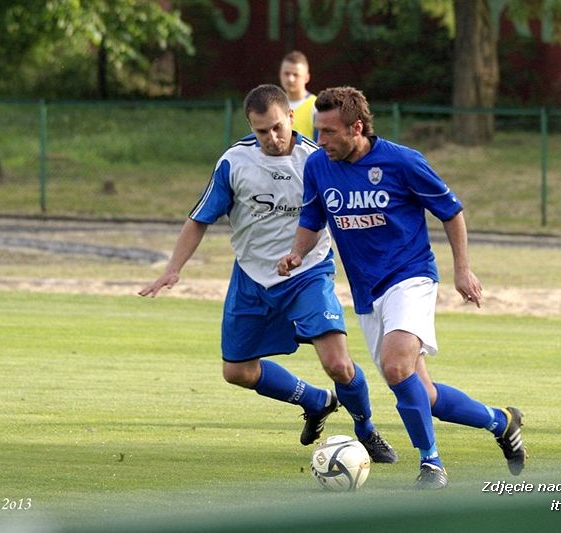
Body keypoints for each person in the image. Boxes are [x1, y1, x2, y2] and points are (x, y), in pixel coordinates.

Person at [278, 86, 526, 489]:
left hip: (410, 277)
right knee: (422, 394)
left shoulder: (402, 162)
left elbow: (452, 211)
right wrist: (296, 254)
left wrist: (463, 270)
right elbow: (312, 218)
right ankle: (501, 421)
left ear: (356, 127)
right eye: (317, 131)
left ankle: (431, 464)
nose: (320, 141)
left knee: (395, 365)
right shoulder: (319, 167)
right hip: (366, 292)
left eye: (328, 132)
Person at [139, 84, 396, 464]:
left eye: (277, 127)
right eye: (262, 131)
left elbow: (354, 210)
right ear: (250, 126)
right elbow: (199, 220)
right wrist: (172, 270)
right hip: (252, 278)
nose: (272, 138)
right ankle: (315, 401)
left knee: (339, 364)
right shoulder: (234, 163)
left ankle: (366, 430)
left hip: (308, 273)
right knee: (237, 371)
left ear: (291, 117)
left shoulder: (318, 159)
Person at [279, 51, 317, 140]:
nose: (290, 79)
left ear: (307, 78)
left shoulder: (316, 106)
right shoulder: (273, 105)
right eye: (286, 74)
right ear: (280, 75)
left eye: (296, 75)